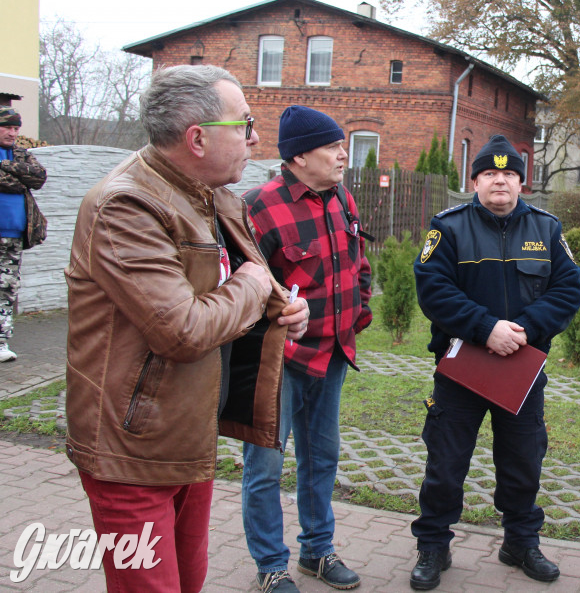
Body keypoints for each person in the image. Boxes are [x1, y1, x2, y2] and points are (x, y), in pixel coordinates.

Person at [64, 65, 310, 593]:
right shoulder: (125, 205)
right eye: (244, 124)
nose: (256, 137)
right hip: (130, 451)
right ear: (197, 138)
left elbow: (255, 289)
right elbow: (182, 330)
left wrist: (287, 309)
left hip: (188, 433)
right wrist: (253, 285)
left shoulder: (217, 196)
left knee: (189, 580)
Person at [408, 134, 580, 591]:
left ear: (521, 183)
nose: (499, 181)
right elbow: (433, 289)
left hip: (521, 371)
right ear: (476, 181)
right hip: (462, 369)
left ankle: (521, 542)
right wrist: (486, 328)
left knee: (524, 460)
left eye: (508, 174)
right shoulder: (447, 228)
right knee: (445, 463)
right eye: (490, 173)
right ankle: (433, 544)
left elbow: (568, 290)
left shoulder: (547, 229)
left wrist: (522, 329)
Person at [241, 106, 373, 593]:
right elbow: (239, 288)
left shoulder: (342, 199)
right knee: (266, 466)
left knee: (322, 458)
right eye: (333, 146)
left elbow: (358, 263)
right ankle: (271, 565)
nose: (343, 154)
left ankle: (317, 552)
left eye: (342, 145)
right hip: (277, 363)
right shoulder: (258, 207)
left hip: (332, 356)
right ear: (299, 156)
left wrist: (357, 310)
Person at [0, 107, 47, 363]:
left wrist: (7, 166)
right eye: (7, 127)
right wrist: (19, 177)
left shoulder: (20, 153)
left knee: (6, 289)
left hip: (14, 235)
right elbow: (16, 183)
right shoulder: (20, 160)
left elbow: (39, 177)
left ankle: (1, 342)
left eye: (16, 128)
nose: (12, 132)